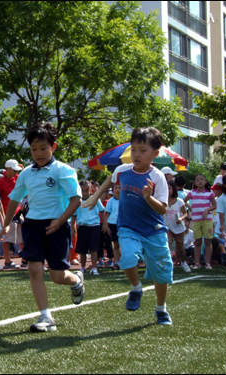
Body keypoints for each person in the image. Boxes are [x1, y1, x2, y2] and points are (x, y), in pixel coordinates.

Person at [0, 122, 85, 332]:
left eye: (43, 148)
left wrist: (61, 221)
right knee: (34, 269)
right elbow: (14, 200)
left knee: (57, 276)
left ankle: (76, 280)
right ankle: (46, 316)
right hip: (33, 226)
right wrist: (6, 224)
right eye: (34, 149)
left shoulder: (63, 170)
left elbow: (76, 199)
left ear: (53, 147)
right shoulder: (26, 174)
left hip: (57, 226)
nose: (39, 153)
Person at [83, 127, 173, 326]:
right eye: (133, 149)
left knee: (161, 272)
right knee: (128, 257)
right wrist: (94, 198)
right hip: (128, 227)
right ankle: (136, 287)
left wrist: (148, 197)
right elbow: (109, 181)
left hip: (154, 231)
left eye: (143, 150)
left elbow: (162, 210)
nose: (136, 154)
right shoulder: (122, 170)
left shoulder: (157, 177)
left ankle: (161, 309)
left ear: (155, 154)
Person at [183, 174, 216, 270]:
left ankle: (208, 263)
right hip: (196, 220)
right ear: (195, 183)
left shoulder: (210, 193)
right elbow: (183, 201)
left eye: (202, 179)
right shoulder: (192, 193)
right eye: (198, 180)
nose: (200, 181)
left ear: (206, 181)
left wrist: (207, 209)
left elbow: (214, 205)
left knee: (208, 241)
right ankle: (197, 263)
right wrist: (190, 207)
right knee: (197, 242)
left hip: (207, 220)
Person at [74, 180, 107, 275]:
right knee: (82, 249)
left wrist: (104, 224)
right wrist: (73, 226)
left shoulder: (95, 199)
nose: (84, 193)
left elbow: (102, 211)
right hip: (82, 227)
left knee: (94, 248)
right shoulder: (78, 201)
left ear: (90, 189)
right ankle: (83, 268)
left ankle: (94, 268)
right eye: (82, 191)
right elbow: (74, 215)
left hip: (94, 226)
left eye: (86, 190)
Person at [0, 159, 24, 269]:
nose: (16, 173)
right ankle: (7, 261)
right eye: (14, 170)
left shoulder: (17, 178)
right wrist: (3, 216)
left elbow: (24, 177)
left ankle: (25, 259)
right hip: (8, 213)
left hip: (18, 212)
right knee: (7, 238)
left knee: (23, 236)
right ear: (8, 169)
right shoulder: (1, 182)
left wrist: (21, 169)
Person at [163, 180, 191, 273]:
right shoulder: (163, 201)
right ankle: (168, 263)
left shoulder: (179, 201)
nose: (168, 190)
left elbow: (185, 213)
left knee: (180, 247)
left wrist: (181, 219)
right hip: (167, 226)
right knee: (168, 242)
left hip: (178, 227)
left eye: (170, 188)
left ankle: (183, 262)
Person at [105, 184, 121, 270]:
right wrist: (107, 226)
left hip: (123, 224)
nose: (118, 190)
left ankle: (127, 262)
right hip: (113, 224)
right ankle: (117, 262)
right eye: (116, 188)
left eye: (119, 188)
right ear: (113, 190)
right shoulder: (110, 201)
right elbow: (108, 214)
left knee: (124, 244)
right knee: (115, 244)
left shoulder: (125, 200)